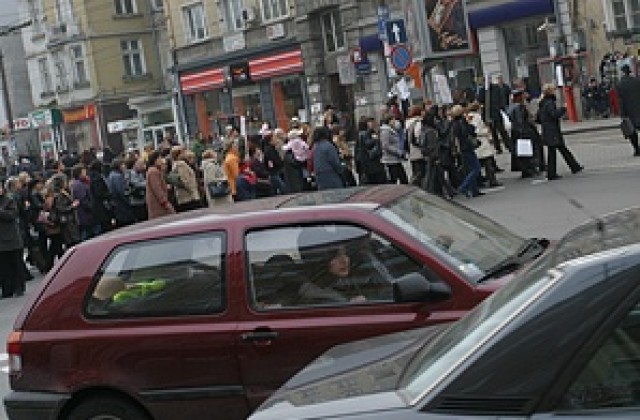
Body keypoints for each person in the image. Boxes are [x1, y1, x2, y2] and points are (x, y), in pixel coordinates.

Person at [538, 83, 584, 180]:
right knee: (554, 152)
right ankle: (552, 173)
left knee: (562, 149)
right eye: (553, 90)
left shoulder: (542, 102)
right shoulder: (549, 102)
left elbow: (539, 118)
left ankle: (574, 166)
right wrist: (563, 109)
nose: (554, 91)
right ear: (550, 91)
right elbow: (554, 115)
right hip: (552, 130)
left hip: (548, 130)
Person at [0, 179, 25, 298]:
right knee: (4, 266)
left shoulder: (9, 200)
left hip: (11, 237)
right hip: (1, 239)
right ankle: (7, 289)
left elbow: (12, 215)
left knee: (15, 263)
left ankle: (18, 287)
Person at [451, 105, 483, 198]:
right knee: (475, 168)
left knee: (470, 168)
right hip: (466, 147)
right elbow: (468, 132)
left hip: (461, 148)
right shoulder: (462, 122)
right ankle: (464, 187)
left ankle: (474, 189)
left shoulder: (454, 123)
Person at [509, 89, 540, 178]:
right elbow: (520, 120)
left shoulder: (512, 106)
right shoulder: (519, 107)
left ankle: (526, 169)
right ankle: (529, 169)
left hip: (516, 132)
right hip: (523, 131)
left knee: (521, 152)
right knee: (527, 151)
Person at [615, 64, 640, 156]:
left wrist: (622, 114)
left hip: (629, 111)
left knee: (632, 132)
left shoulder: (620, 85)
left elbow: (620, 101)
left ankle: (637, 149)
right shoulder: (637, 81)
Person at [354, 116, 387, 185]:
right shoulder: (366, 134)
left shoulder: (361, 134)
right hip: (372, 166)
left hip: (366, 165)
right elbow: (370, 146)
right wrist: (376, 140)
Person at [311, 126, 344, 190]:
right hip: (331, 174)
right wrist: (341, 169)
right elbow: (335, 162)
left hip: (319, 176)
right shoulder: (328, 146)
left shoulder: (315, 146)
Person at [70, 164, 97, 241]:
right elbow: (83, 199)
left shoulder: (82, 183)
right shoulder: (78, 185)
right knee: (87, 234)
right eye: (83, 172)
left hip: (86, 214)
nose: (85, 173)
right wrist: (91, 207)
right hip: (85, 214)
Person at [379, 113, 409, 184]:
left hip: (396, 159)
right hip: (390, 159)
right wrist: (398, 151)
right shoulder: (385, 131)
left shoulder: (392, 130)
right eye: (393, 120)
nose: (394, 122)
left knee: (403, 178)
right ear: (389, 121)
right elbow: (385, 145)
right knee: (395, 178)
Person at [145, 151, 175, 219]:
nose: (161, 160)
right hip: (158, 205)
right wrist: (165, 202)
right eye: (159, 158)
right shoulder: (153, 171)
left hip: (159, 203)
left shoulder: (155, 170)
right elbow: (157, 189)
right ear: (155, 160)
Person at [107, 159, 136, 227]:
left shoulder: (111, 175)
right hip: (122, 206)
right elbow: (122, 192)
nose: (124, 167)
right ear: (119, 166)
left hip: (117, 205)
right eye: (123, 165)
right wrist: (129, 199)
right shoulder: (117, 177)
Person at [88, 160, 113, 233]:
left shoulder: (92, 176)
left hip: (97, 205)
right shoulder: (97, 177)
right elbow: (99, 192)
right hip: (101, 205)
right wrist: (108, 194)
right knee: (106, 225)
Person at [405, 106, 424, 187]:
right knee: (421, 172)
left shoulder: (407, 123)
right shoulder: (418, 123)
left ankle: (416, 186)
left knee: (415, 170)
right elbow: (418, 136)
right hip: (419, 151)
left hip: (411, 151)